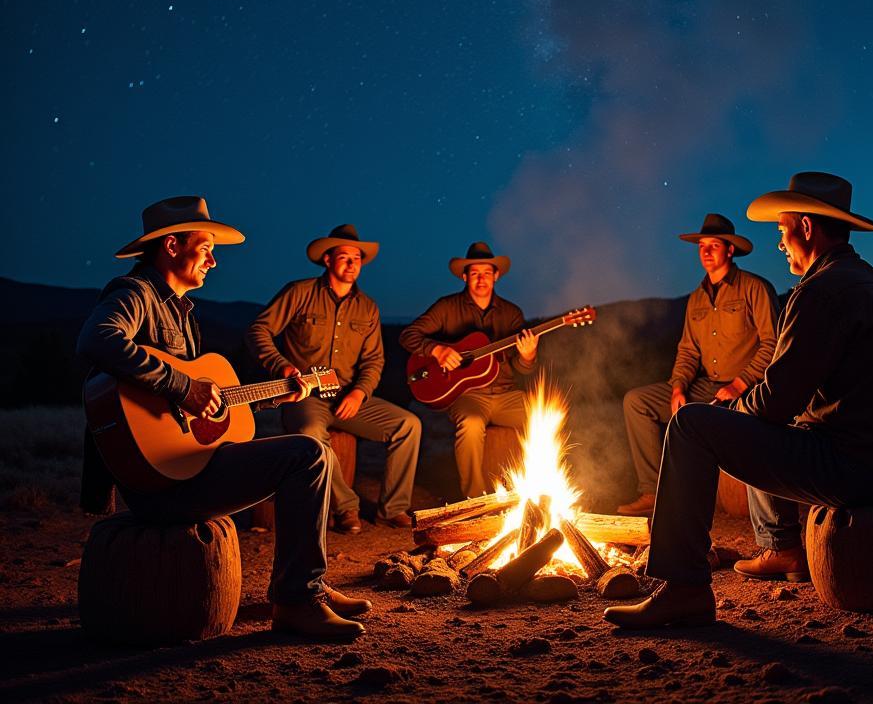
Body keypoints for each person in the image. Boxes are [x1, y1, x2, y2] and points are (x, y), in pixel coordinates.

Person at [605, 173, 873, 629]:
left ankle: (684, 587)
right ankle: (782, 548)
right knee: (747, 423)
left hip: (851, 468)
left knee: (692, 425)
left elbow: (775, 402)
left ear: (807, 228)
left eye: (782, 230)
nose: (780, 243)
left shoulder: (818, 292)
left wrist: (730, 414)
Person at [77, 197, 370, 640]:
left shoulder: (181, 311)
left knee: (314, 454)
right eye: (206, 247)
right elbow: (97, 341)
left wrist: (283, 391)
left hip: (182, 466)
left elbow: (205, 406)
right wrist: (183, 386)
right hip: (159, 485)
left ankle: (307, 584)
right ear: (172, 245)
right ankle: (295, 601)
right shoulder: (135, 293)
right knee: (308, 454)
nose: (214, 260)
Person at [246, 224, 421, 534]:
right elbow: (259, 330)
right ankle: (346, 508)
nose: (352, 264)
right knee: (311, 431)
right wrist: (281, 366)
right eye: (344, 257)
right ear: (327, 259)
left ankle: (392, 509)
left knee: (408, 425)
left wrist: (359, 394)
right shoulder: (299, 292)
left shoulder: (367, 307)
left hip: (347, 396)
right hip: (305, 397)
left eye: (357, 258)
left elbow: (373, 360)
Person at [617, 214, 779, 517]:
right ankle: (652, 492)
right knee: (637, 402)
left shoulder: (755, 289)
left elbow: (773, 344)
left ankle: (713, 503)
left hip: (746, 388)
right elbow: (688, 351)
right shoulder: (696, 299)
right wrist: (678, 387)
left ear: (729, 250)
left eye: (713, 245)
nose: (705, 252)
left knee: (717, 431)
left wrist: (740, 384)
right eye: (702, 246)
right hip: (706, 386)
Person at [399, 242, 538, 499]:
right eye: (475, 273)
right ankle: (474, 499)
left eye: (487, 273)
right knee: (471, 424)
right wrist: (436, 350)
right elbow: (408, 336)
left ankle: (533, 493)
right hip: (469, 396)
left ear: (496, 276)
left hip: (508, 394)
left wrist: (528, 356)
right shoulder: (446, 307)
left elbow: (522, 368)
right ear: (465, 276)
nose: (481, 279)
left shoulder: (511, 313)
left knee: (542, 417)